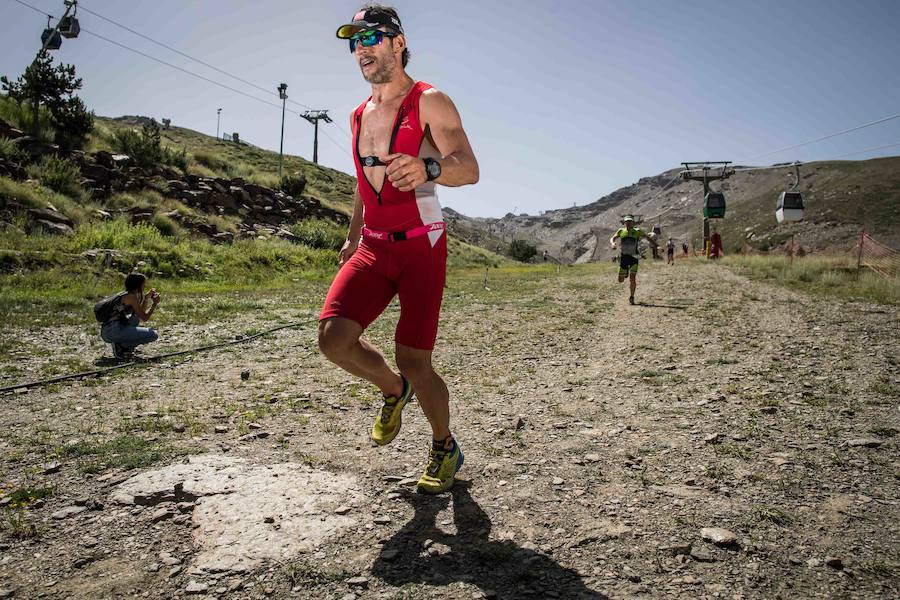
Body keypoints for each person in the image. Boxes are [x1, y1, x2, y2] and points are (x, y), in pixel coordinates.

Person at [319, 4, 479, 495]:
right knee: (333, 339)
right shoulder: (357, 114)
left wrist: (430, 169)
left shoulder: (429, 101)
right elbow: (363, 181)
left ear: (398, 42)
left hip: (420, 246)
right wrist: (353, 236)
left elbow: (469, 168)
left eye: (371, 38)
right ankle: (394, 390)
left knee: (414, 358)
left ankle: (444, 444)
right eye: (355, 41)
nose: (361, 49)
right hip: (373, 244)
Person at [99, 272, 160, 359]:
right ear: (138, 285)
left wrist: (146, 298)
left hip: (108, 331)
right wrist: (154, 304)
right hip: (113, 331)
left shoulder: (125, 295)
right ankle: (123, 346)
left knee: (135, 319)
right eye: (143, 284)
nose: (144, 286)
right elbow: (145, 317)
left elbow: (140, 314)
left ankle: (122, 346)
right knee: (153, 335)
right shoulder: (131, 298)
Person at [609, 215, 648, 305]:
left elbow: (648, 237)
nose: (628, 223)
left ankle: (632, 297)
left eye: (630, 221)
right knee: (620, 280)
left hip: (634, 256)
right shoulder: (621, 231)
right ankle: (625, 271)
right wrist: (613, 243)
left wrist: (656, 246)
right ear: (624, 223)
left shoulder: (637, 231)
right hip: (624, 257)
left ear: (633, 222)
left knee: (632, 277)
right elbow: (612, 238)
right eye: (627, 221)